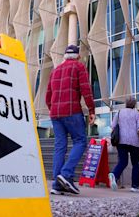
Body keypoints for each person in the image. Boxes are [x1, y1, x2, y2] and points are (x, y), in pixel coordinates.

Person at [45, 45, 95, 195]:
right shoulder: (79, 67)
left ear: (65, 56)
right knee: (80, 141)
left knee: (60, 146)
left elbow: (48, 96)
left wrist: (53, 109)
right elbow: (86, 89)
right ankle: (66, 174)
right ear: (78, 56)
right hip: (72, 111)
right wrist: (91, 110)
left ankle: (56, 185)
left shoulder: (55, 71)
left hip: (55, 114)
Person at [108, 97, 139, 192]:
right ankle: (134, 186)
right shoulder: (136, 113)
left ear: (126, 104)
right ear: (134, 105)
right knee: (135, 163)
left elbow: (113, 128)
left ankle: (114, 174)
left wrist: (110, 140)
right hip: (134, 142)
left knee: (123, 161)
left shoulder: (119, 112)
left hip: (121, 141)